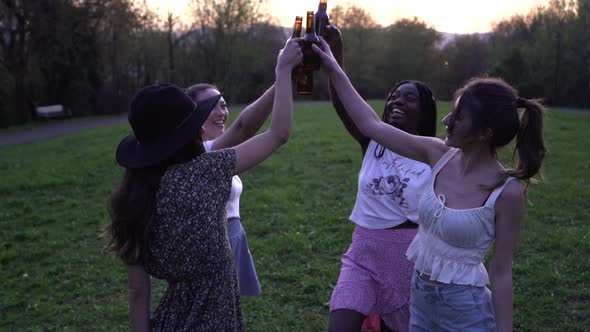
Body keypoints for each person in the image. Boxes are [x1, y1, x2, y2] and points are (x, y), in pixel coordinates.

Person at [312, 37, 546, 331]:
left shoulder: (507, 192)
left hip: (464, 312)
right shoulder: (438, 155)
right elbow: (370, 124)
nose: (447, 119)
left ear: (484, 132)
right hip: (421, 303)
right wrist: (332, 65)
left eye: (459, 116)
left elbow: (501, 271)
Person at [103, 37, 302, 331]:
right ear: (187, 134)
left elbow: (138, 294)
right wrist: (283, 71)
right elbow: (278, 134)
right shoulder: (205, 173)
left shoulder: (129, 203)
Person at [322, 25, 438, 332]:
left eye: (408, 99)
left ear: (424, 110)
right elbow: (343, 103)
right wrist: (335, 50)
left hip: (409, 260)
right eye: (393, 97)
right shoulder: (372, 141)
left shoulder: (435, 154)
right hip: (363, 254)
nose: (397, 102)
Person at [184, 82, 277, 296]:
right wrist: (283, 76)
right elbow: (244, 128)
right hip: (215, 248)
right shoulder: (198, 155)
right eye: (210, 107)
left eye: (223, 105)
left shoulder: (216, 151)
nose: (221, 113)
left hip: (232, 239)